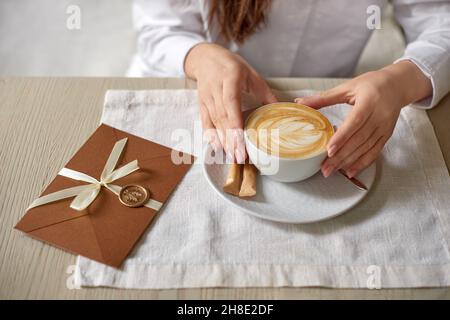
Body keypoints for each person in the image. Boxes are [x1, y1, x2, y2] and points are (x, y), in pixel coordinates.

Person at [129, 0, 450, 178]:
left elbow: (440, 20)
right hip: (186, 86)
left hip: (325, 99)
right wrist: (199, 57)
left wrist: (402, 80)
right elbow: (159, 30)